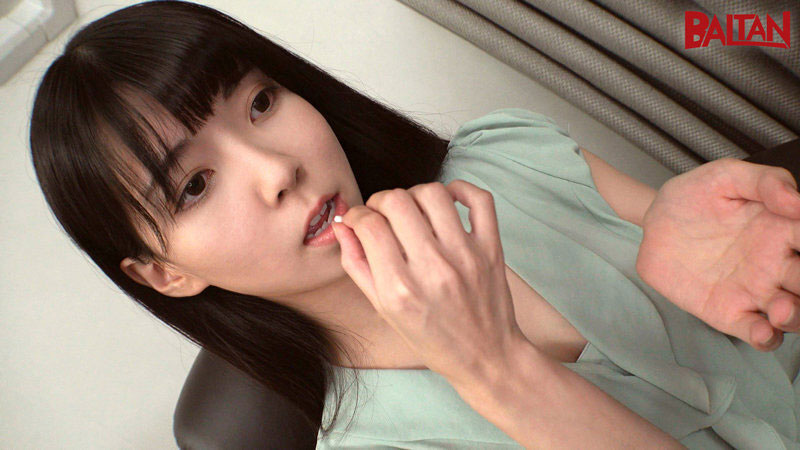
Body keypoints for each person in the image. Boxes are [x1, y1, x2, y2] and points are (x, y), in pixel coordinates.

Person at [28, 1, 800, 448]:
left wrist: (718, 224)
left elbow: (745, 281)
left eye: (261, 103)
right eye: (195, 186)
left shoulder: (506, 154)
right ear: (164, 273)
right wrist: (499, 374)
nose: (277, 169)